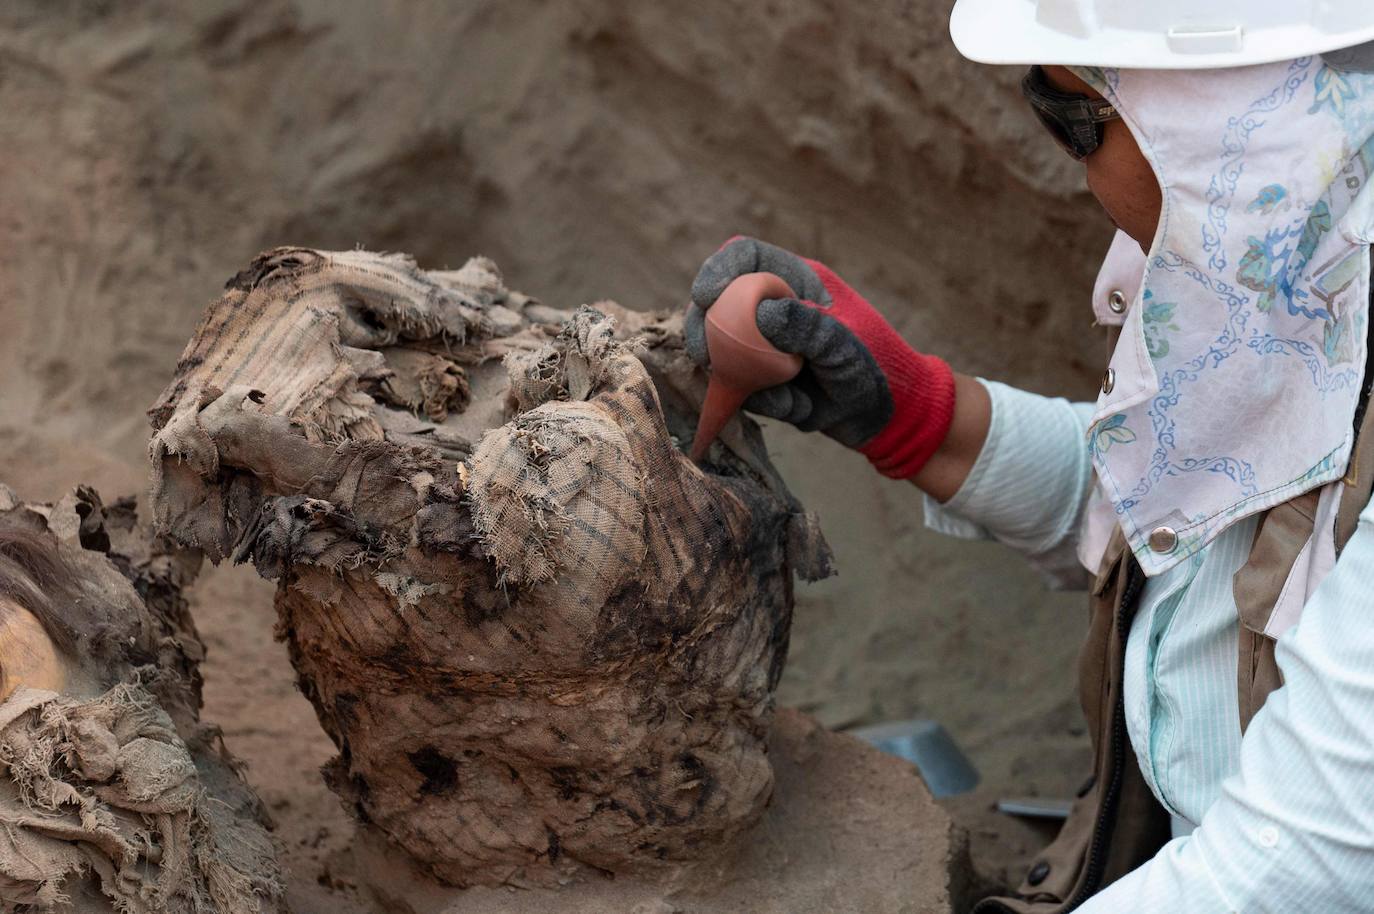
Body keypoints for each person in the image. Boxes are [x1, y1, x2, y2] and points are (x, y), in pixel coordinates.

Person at [685, 4, 1374, 911]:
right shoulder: (1306, 290)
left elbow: (1299, 867)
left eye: (1074, 117)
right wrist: (920, 416)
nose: (1074, 163)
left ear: (1216, 120)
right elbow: (1192, 524)